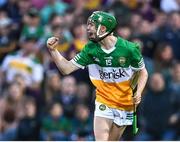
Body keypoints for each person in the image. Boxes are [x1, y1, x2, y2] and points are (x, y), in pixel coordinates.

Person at [46, 11, 148, 141]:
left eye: (92, 25)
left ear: (104, 28)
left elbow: (143, 72)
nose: (87, 28)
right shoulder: (89, 49)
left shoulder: (130, 49)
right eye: (88, 25)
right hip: (103, 99)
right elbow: (66, 69)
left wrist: (138, 92)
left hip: (124, 102)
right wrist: (53, 51)